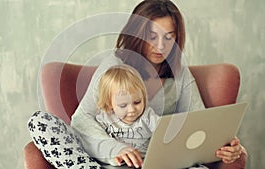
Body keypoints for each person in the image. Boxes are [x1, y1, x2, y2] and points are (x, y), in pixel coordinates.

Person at [28, 0, 246, 168]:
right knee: (41, 122)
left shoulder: (179, 73)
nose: (160, 46)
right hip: (106, 159)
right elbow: (82, 119)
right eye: (152, 36)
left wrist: (225, 145)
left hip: (154, 163)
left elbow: (199, 123)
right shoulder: (114, 65)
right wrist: (115, 149)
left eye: (169, 37)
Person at [95, 64, 160, 167]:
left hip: (144, 162)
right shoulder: (105, 118)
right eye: (123, 105)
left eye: (137, 102)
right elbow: (96, 139)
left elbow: (162, 132)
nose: (132, 110)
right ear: (109, 104)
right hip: (117, 164)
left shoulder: (147, 116)